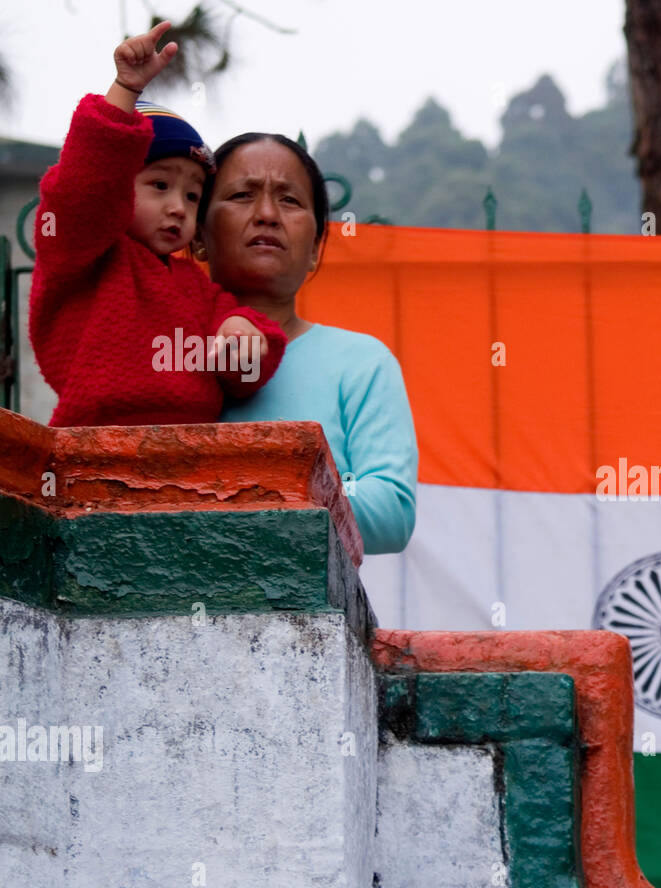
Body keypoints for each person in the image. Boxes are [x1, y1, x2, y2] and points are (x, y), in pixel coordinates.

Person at [29, 21, 284, 427]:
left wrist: (243, 336)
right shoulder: (81, 251)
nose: (178, 208)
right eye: (160, 184)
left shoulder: (196, 286)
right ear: (117, 184)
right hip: (93, 442)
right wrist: (125, 91)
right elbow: (83, 190)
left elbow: (244, 375)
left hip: (194, 454)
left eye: (192, 195)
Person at [195, 132, 418, 555]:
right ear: (197, 234)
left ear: (316, 249)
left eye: (290, 201)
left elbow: (392, 512)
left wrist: (257, 497)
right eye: (242, 195)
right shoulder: (166, 353)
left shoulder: (361, 363)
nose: (266, 214)